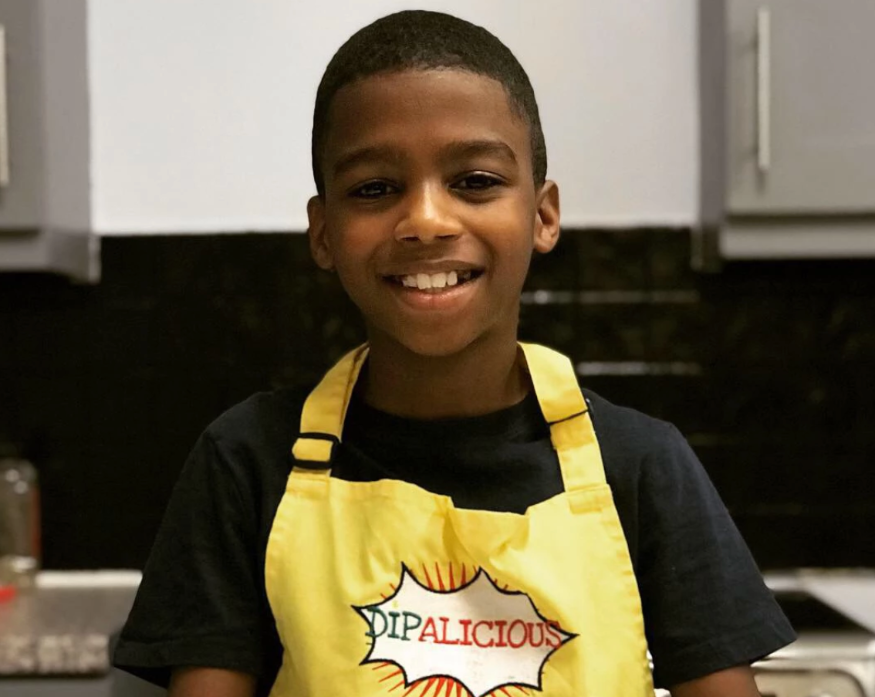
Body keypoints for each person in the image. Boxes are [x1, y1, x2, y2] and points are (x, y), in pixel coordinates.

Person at [113, 10, 795, 697]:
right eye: (375, 189)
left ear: (542, 215)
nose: (426, 220)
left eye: (474, 181)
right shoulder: (246, 463)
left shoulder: (644, 467)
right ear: (323, 233)